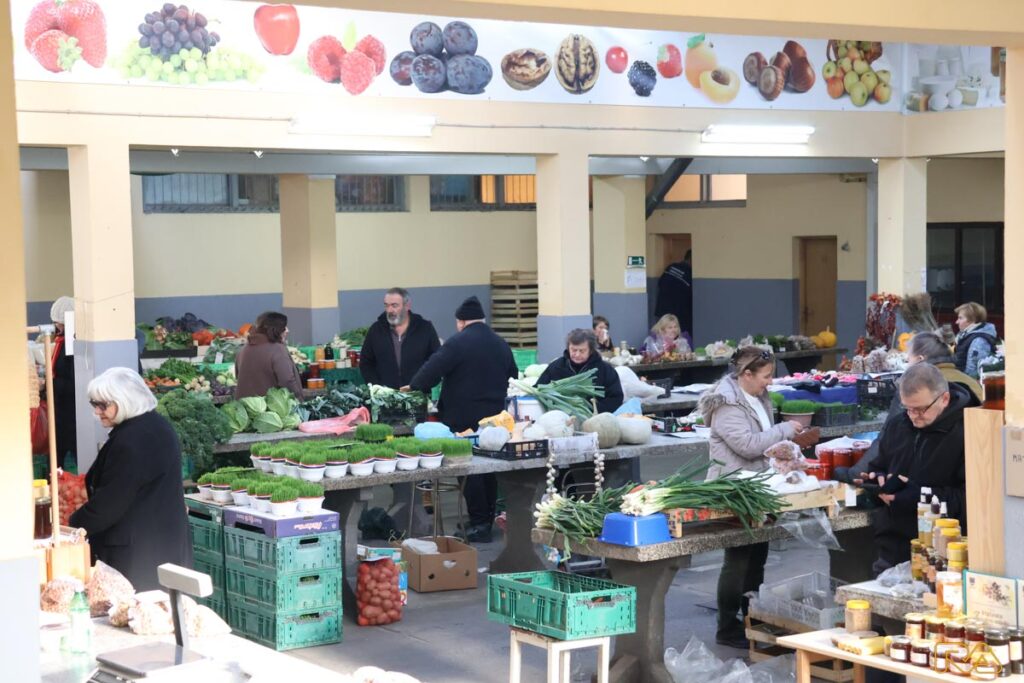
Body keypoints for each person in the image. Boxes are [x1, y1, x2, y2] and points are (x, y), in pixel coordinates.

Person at [697, 346, 820, 649]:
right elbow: (748, 445)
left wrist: (787, 452)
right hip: (735, 489)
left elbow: (764, 445)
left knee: (757, 558)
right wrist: (784, 430)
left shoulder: (758, 396)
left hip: (758, 487)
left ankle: (752, 618)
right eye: (765, 376)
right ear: (746, 374)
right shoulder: (726, 404)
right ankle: (727, 626)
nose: (770, 381)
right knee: (738, 559)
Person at [69, 368, 192, 590]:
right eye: (94, 404)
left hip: (139, 557)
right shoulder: (157, 426)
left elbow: (109, 504)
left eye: (103, 405)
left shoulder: (130, 441)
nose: (97, 411)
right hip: (162, 544)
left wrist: (71, 526)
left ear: (124, 401)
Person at [408, 296, 518, 543]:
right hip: (495, 420)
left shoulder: (457, 343)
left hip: (463, 418)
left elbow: (431, 371)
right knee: (489, 469)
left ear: (460, 322)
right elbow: (513, 374)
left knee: (469, 471)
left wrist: (414, 386)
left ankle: (479, 524)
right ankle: (486, 519)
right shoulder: (500, 343)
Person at [833, 332, 981, 485]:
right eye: (909, 409)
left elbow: (887, 438)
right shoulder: (968, 381)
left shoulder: (918, 388)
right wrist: (878, 471)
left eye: (908, 359)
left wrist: (856, 474)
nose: (913, 415)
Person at [864, 363, 968, 574]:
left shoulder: (967, 431)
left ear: (944, 399)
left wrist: (921, 497)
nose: (913, 416)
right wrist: (877, 481)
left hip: (942, 554)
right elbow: (877, 466)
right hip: (892, 548)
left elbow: (971, 500)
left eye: (921, 409)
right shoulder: (897, 425)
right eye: (908, 408)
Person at [360, 288, 441, 389]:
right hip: (385, 395)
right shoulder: (376, 330)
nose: (389, 310)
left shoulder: (425, 328)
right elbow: (366, 362)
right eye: (386, 305)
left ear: (407, 306)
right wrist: (377, 387)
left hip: (418, 394)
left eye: (394, 305)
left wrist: (420, 385)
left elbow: (436, 361)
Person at [537, 329, 623, 414]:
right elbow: (538, 389)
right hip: (561, 416)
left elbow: (616, 397)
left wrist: (593, 410)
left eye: (582, 351)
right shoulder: (556, 367)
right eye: (574, 350)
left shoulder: (605, 369)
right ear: (568, 348)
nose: (577, 354)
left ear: (591, 350)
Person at [235, 311, 303, 399]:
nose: (287, 330)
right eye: (284, 327)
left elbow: (238, 377)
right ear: (275, 330)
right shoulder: (278, 350)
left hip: (245, 405)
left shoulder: (243, 350)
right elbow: (287, 381)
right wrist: (299, 399)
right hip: (271, 405)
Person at [49, 296, 77, 468]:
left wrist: (50, 384)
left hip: (70, 412)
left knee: (69, 449)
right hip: (61, 409)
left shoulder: (72, 345)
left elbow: (73, 382)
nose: (57, 327)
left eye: (59, 323)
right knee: (56, 454)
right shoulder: (62, 341)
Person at [655, 250, 693, 344]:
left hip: (662, 309)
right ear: (691, 259)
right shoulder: (690, 273)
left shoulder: (671, 267)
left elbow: (660, 283)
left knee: (663, 335)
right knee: (678, 339)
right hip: (680, 315)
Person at [953, 302, 997, 379]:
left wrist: (964, 384)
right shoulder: (966, 336)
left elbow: (973, 372)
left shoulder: (978, 341)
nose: (956, 322)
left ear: (972, 319)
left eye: (960, 318)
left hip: (967, 383)